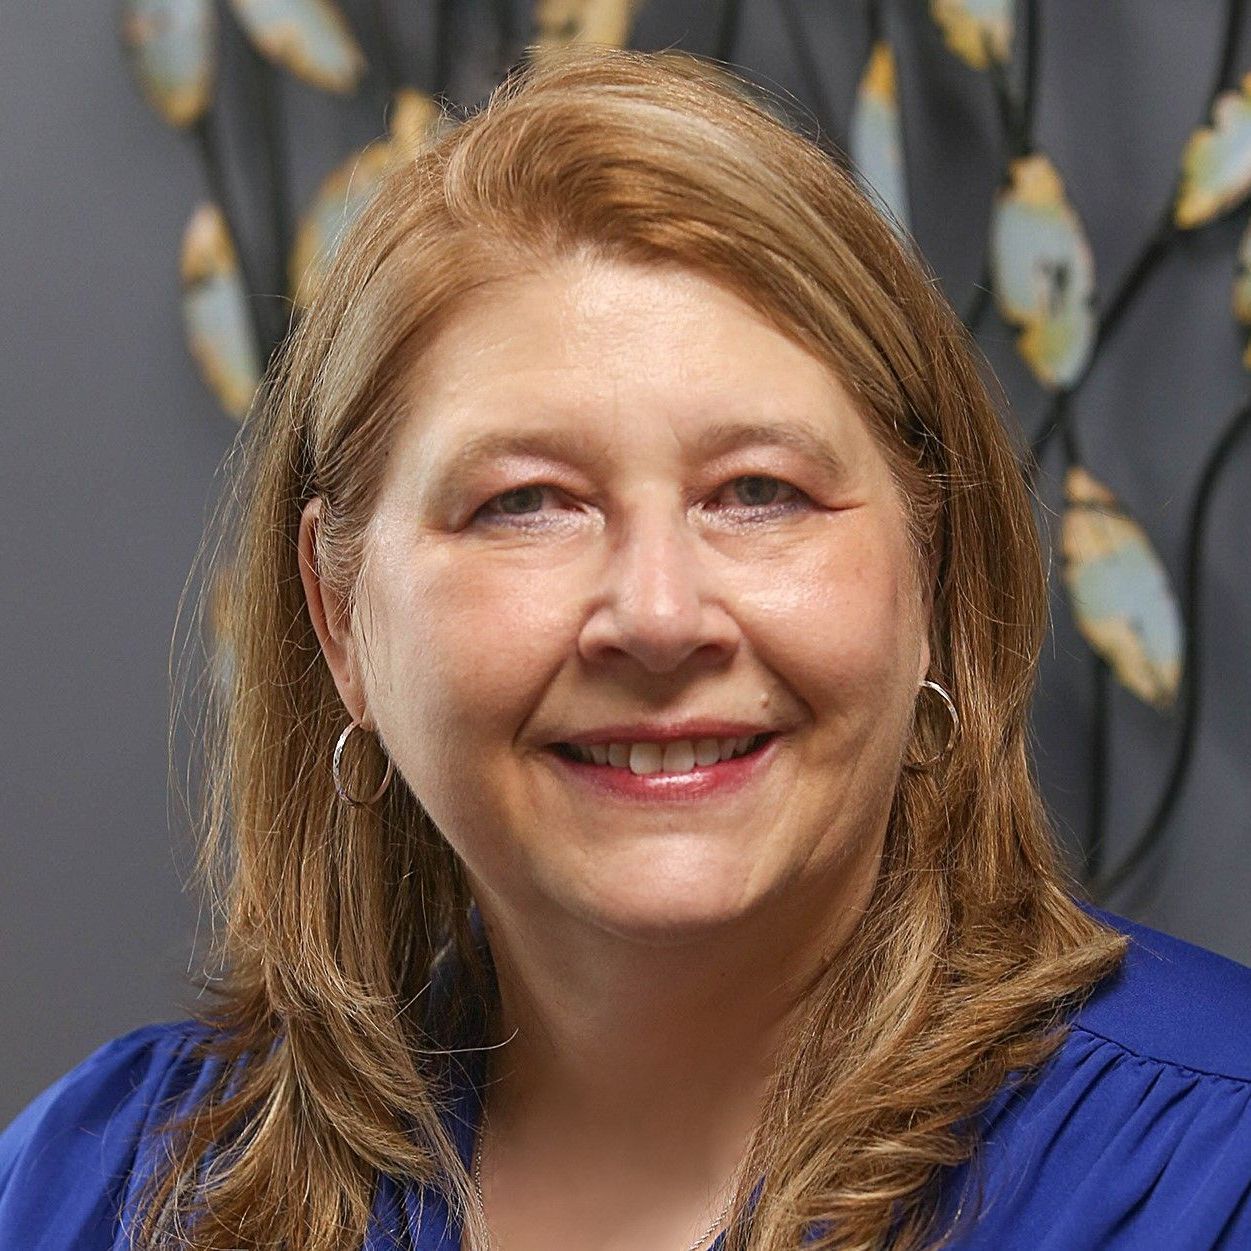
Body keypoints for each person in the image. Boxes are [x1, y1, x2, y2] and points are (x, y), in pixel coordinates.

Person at [3, 44, 1250, 1251]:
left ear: (931, 571)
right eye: (526, 504)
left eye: (758, 493)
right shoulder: (95, 1186)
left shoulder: (1216, 1174)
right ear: (343, 624)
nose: (657, 617)